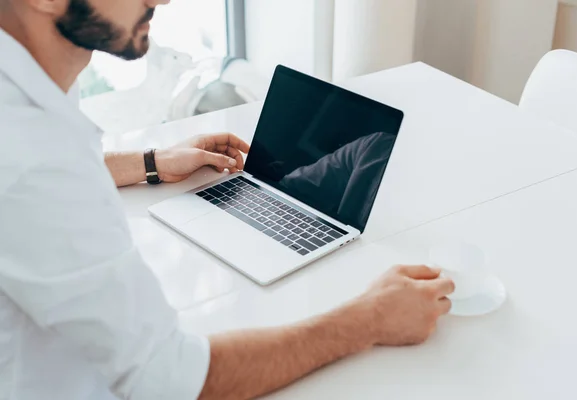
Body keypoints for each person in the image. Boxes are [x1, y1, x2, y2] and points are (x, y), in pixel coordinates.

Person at [0, 1, 455, 399]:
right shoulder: (35, 156)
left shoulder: (25, 90)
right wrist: (369, 320)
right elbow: (170, 380)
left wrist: (153, 161)